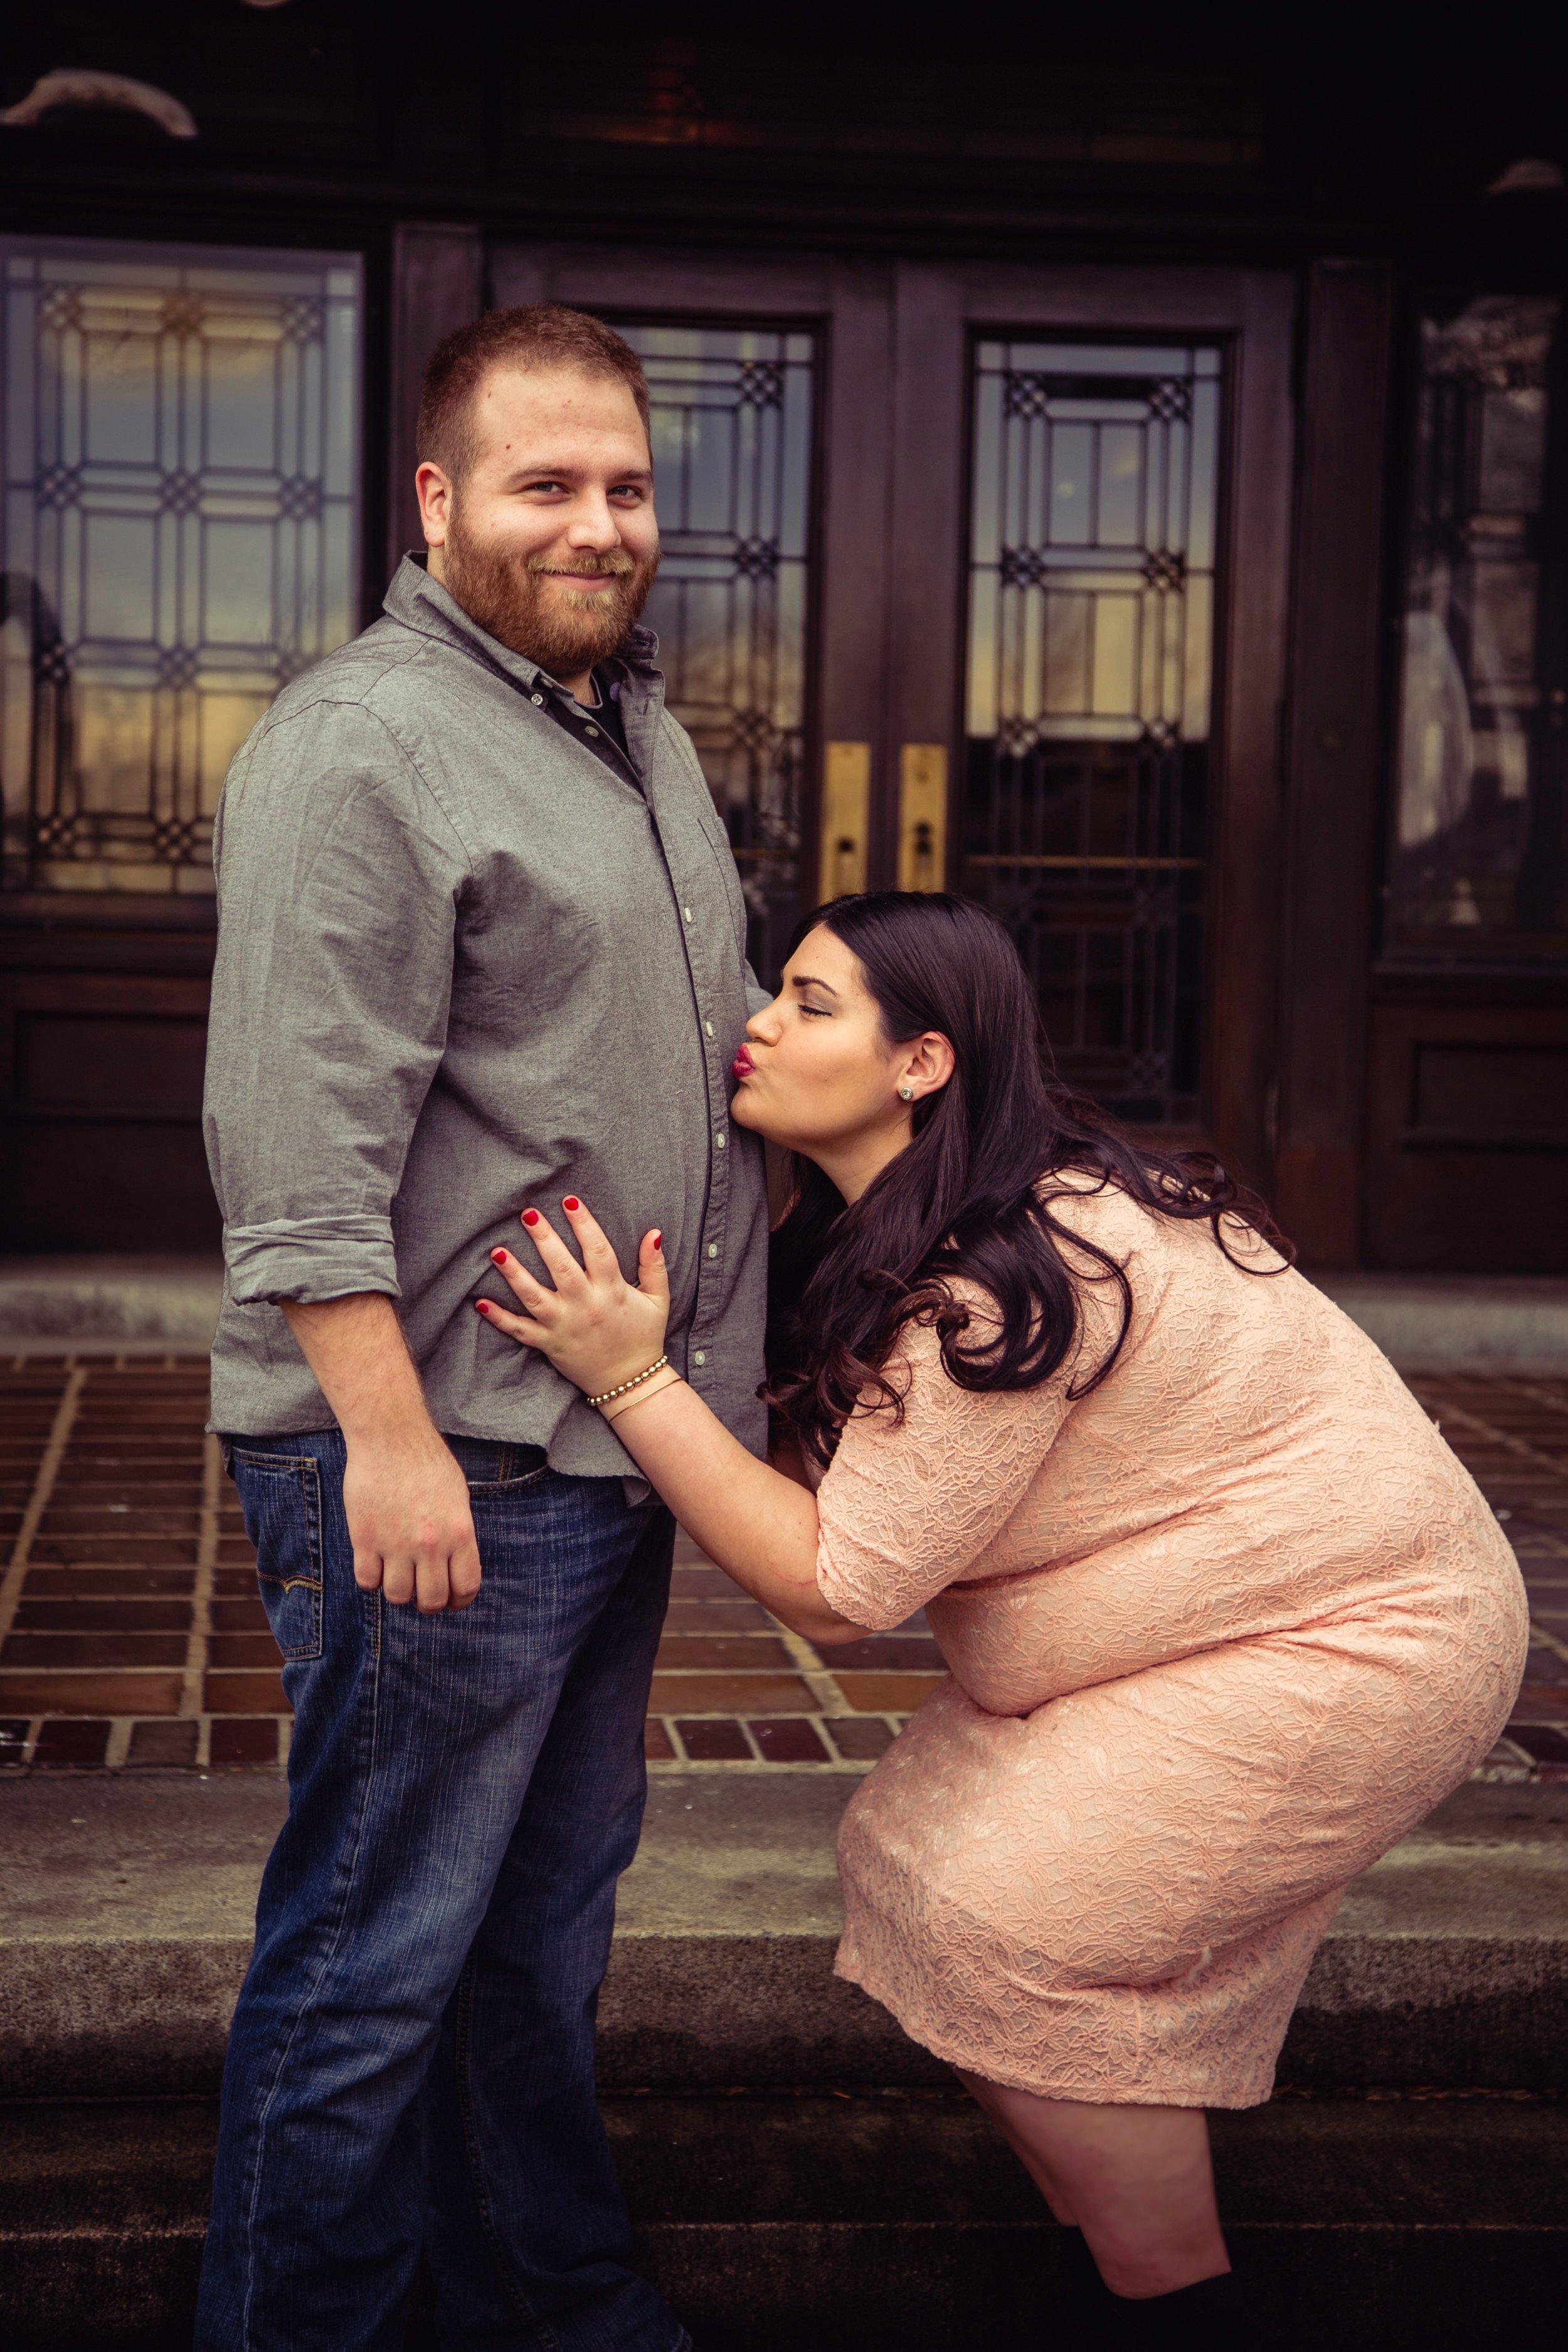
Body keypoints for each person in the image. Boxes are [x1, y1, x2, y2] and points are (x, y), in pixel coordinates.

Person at [479, 889, 1530, 2349]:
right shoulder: (924, 1214)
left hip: (1356, 1644)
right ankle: (1110, 2271)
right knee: (910, 1850)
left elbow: (842, 1585)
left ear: (920, 1064)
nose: (755, 1028)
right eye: (772, 991)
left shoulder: (1009, 1269)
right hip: (1198, 1632)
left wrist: (630, 1378)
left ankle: (1177, 2303)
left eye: (809, 1003)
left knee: (1007, 1915)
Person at [198, 307, 768, 2352]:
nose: (599, 522)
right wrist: (384, 1434)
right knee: (372, 1959)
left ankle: (555, 2303)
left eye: (624, 484)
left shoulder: (635, 732)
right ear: (439, 500)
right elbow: (292, 1142)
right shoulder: (360, 747)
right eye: (546, 483)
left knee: (535, 1944)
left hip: (606, 1451)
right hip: (447, 1463)